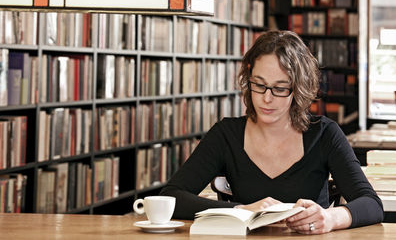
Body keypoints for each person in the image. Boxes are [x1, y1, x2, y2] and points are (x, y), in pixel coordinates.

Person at [160, 30, 384, 234]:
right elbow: (171, 197)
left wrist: (331, 217)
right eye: (259, 84)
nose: (266, 98)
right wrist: (241, 210)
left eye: (279, 88)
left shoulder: (325, 134)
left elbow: (372, 204)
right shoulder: (226, 135)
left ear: (298, 88)